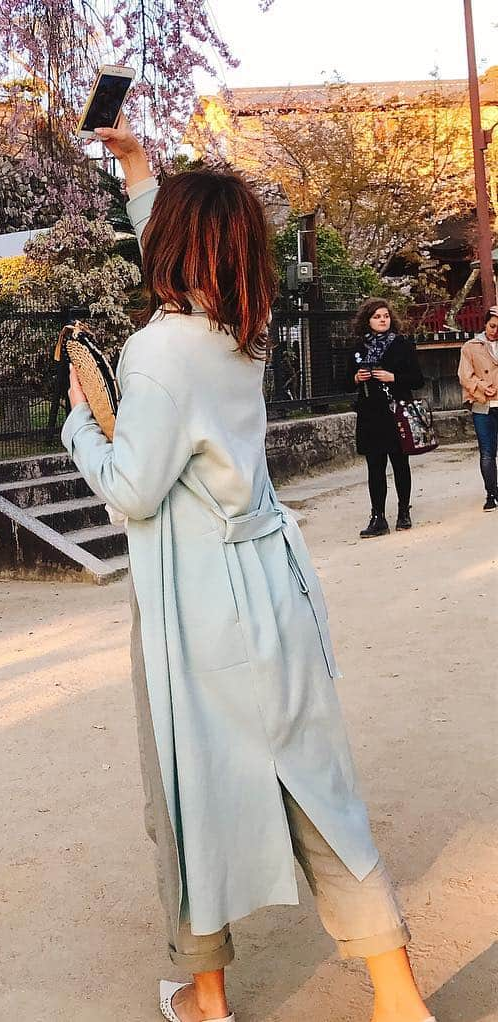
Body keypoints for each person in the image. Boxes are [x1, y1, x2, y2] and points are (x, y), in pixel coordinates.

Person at [60, 117, 435, 1022]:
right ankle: (396, 995)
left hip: (197, 608)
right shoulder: (245, 327)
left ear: (175, 252)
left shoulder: (156, 351)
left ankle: (207, 993)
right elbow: (179, 261)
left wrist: (79, 417)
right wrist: (139, 169)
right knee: (318, 784)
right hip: (274, 587)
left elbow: (133, 490)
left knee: (189, 792)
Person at [350, 300, 425, 537]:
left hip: (396, 413)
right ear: (367, 320)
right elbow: (341, 380)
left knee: (400, 464)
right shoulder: (358, 347)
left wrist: (393, 377)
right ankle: (378, 516)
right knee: (375, 466)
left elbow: (418, 379)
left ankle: (404, 510)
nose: (383, 320)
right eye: (377, 316)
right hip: (371, 414)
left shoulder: (402, 344)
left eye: (385, 316)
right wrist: (356, 377)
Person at [456, 305, 498, 511]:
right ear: (485, 324)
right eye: (492, 326)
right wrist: (481, 386)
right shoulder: (471, 346)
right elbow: (465, 375)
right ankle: (491, 492)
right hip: (483, 403)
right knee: (487, 451)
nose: (495, 331)